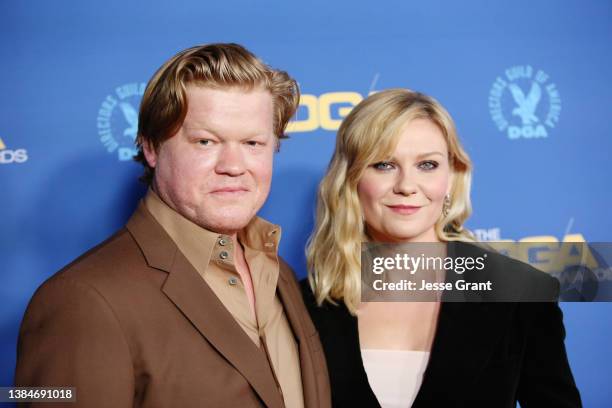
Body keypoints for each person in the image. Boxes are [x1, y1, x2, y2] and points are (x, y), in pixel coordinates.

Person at [15, 43, 330, 408]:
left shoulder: (278, 273)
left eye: (252, 142)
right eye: (205, 141)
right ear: (151, 148)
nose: (233, 164)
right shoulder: (80, 302)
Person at [300, 89, 582, 407]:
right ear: (350, 179)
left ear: (452, 176)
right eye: (383, 165)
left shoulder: (521, 293)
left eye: (427, 165)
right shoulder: (302, 306)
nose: (406, 186)